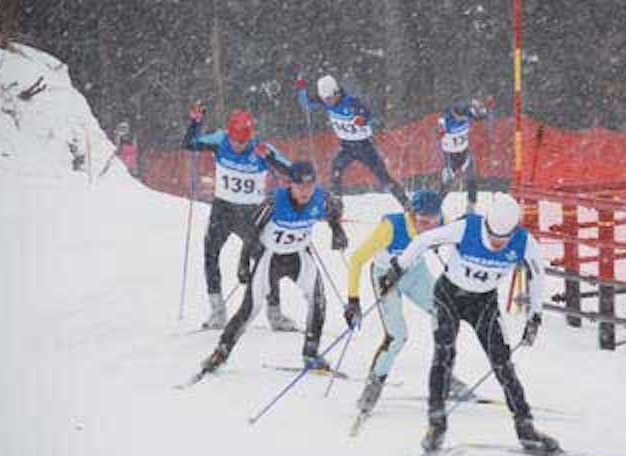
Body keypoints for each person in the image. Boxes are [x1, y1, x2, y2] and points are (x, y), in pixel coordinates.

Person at [379, 192, 560, 454]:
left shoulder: (524, 241)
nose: (499, 243)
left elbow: (537, 275)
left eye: (504, 238)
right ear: (486, 224)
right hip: (449, 298)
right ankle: (436, 427)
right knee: (444, 356)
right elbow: (424, 239)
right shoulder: (468, 227)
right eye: (494, 237)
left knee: (503, 363)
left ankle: (526, 429)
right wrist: (397, 268)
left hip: (483, 303)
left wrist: (535, 315)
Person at [200, 161, 348, 373]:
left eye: (310, 185)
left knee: (318, 300)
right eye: (300, 186)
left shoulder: (320, 198)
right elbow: (252, 232)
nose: (306, 191)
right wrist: (243, 263)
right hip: (270, 258)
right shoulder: (274, 202)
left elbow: (333, 211)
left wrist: (338, 231)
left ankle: (311, 353)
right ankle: (221, 351)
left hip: (299, 256)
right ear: (291, 185)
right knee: (250, 308)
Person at [343, 189, 472, 415]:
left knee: (445, 314)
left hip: (415, 274)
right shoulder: (391, 227)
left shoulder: (441, 222)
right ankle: (374, 385)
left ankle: (445, 375)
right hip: (386, 278)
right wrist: (353, 300)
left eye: (433, 222)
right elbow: (356, 260)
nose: (428, 227)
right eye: (423, 221)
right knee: (397, 337)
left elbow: (459, 242)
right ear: (411, 214)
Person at [183, 104, 297, 331]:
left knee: (266, 262)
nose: (238, 145)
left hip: (251, 215)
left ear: (250, 136)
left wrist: (271, 158)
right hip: (223, 209)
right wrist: (195, 122)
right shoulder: (220, 139)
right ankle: (217, 313)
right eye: (235, 140)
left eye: (243, 141)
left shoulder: (261, 149)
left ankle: (275, 315)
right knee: (210, 254)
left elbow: (292, 173)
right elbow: (189, 144)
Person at [296, 74, 410, 209]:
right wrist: (301, 87)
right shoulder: (325, 101)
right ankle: (335, 206)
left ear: (336, 93)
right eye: (324, 99)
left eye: (329, 98)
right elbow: (304, 101)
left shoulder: (351, 102)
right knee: (335, 171)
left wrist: (363, 119)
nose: (327, 102)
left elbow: (368, 114)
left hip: (364, 147)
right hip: (346, 147)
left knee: (383, 175)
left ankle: (406, 203)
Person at [436, 97, 495, 213]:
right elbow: (438, 130)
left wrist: (486, 108)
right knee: (446, 184)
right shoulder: (445, 119)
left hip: (464, 154)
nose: (462, 120)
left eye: (464, 118)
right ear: (454, 113)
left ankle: (471, 208)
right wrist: (440, 131)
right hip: (450, 157)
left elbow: (484, 116)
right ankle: (435, 208)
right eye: (459, 118)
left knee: (472, 180)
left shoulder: (468, 113)